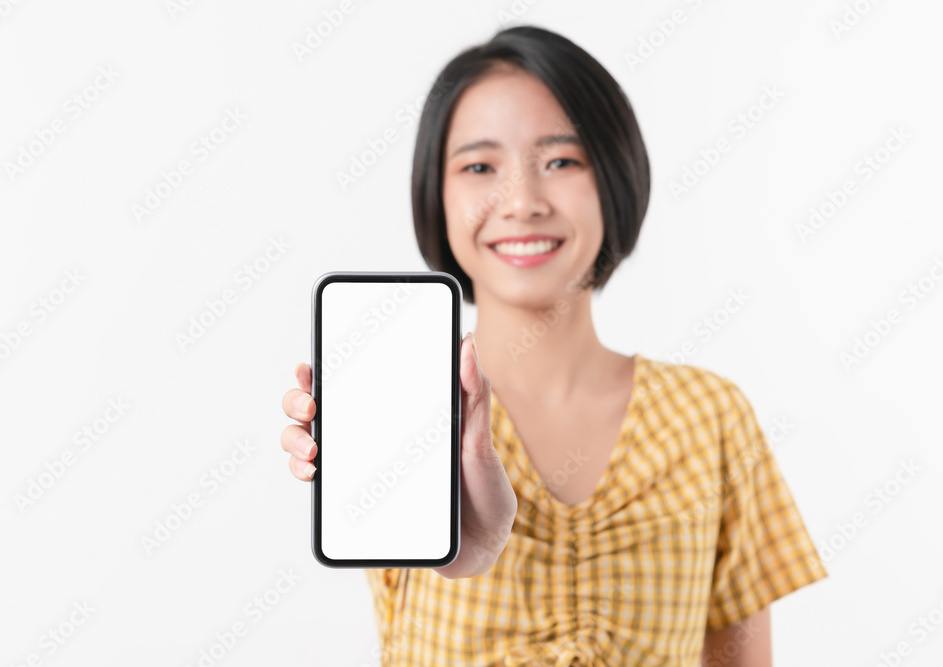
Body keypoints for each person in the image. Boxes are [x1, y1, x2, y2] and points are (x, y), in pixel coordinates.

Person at [282, 24, 827, 667]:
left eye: (562, 161)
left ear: (615, 179)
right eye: (480, 166)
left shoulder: (711, 417)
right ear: (438, 193)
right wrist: (454, 542)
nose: (523, 202)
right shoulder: (405, 400)